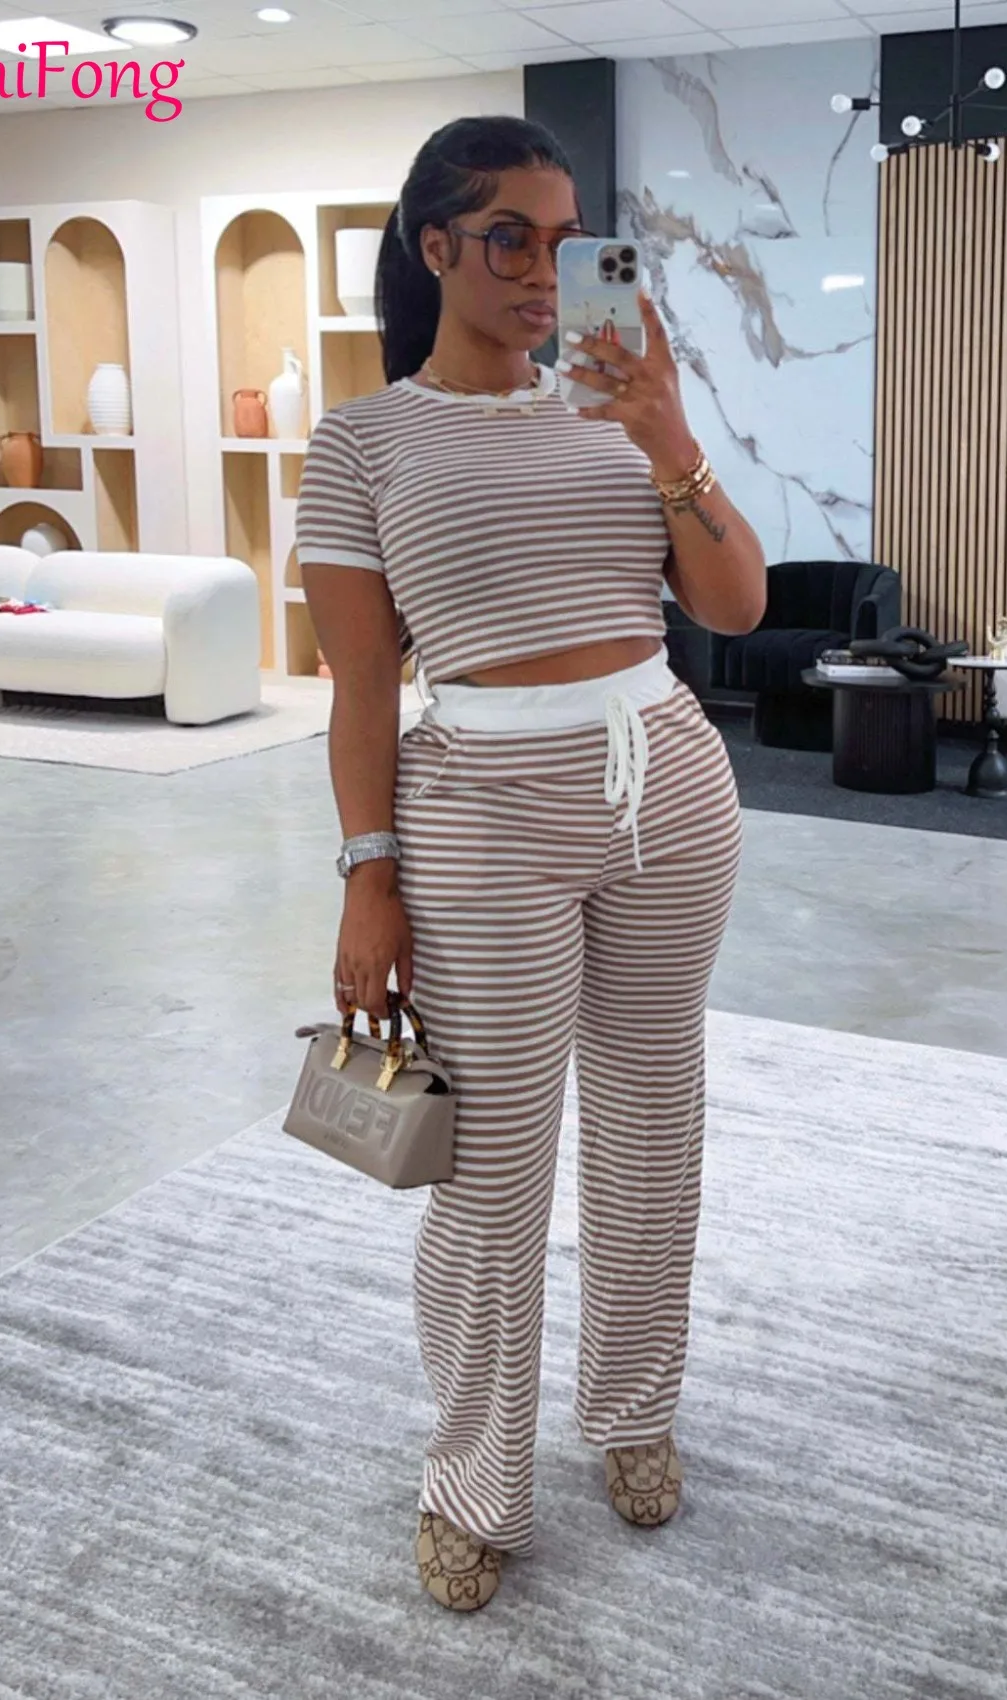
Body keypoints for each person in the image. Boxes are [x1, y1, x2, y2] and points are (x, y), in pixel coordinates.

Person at [295, 115, 766, 1614]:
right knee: (492, 1160)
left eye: (569, 241)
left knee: (651, 1114)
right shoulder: (362, 443)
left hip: (664, 781)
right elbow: (363, 688)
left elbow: (737, 608)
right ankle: (474, 1473)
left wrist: (670, 435)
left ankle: (634, 1409)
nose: (546, 271)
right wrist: (369, 875)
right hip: (479, 806)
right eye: (512, 237)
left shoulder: (617, 411)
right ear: (435, 245)